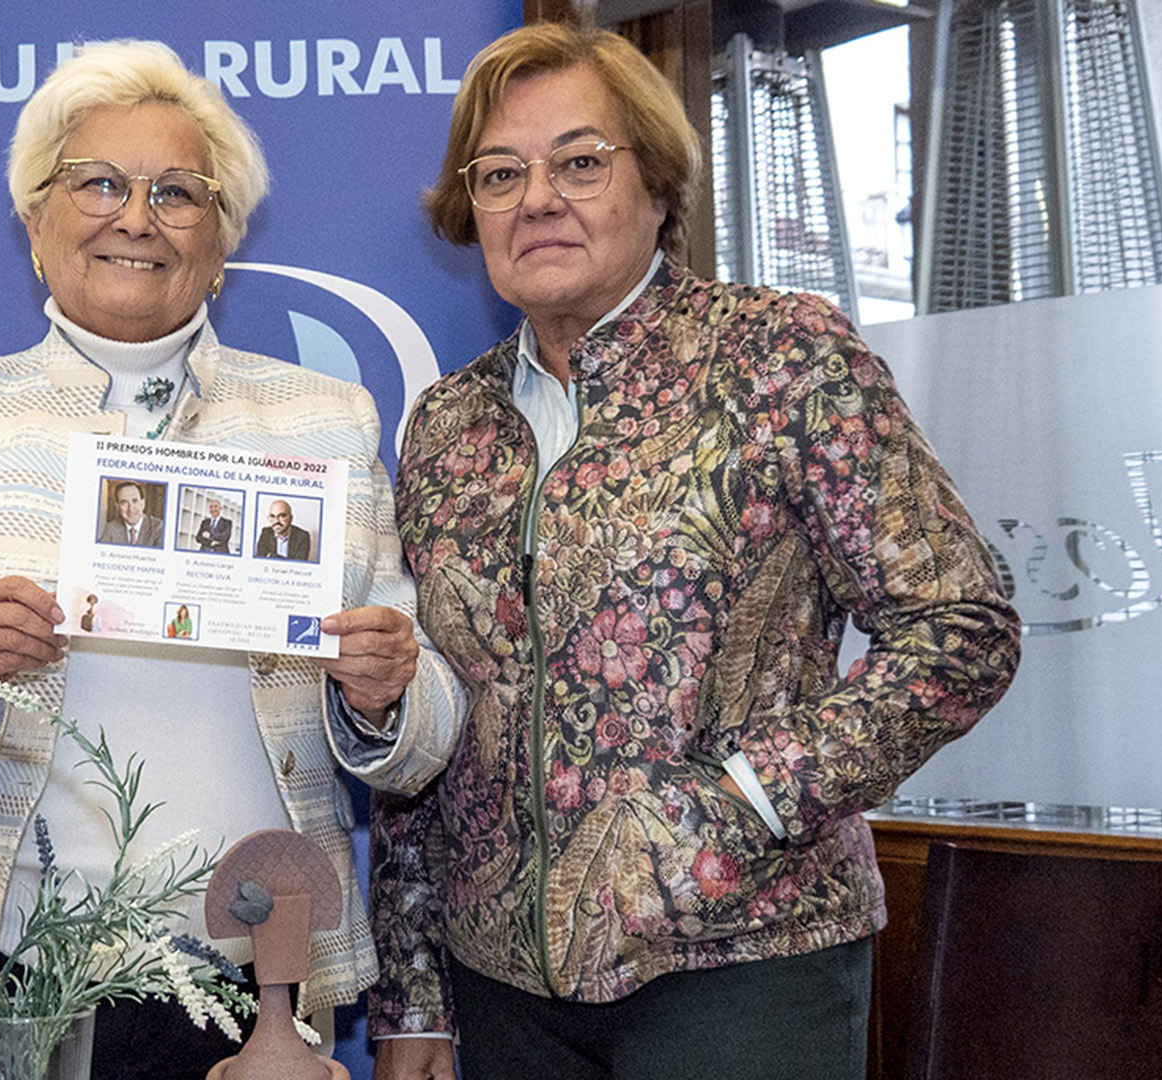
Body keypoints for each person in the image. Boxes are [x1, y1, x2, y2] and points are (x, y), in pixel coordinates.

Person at [0, 40, 465, 1080]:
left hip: (253, 1000)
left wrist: (386, 695)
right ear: (36, 223)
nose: (136, 216)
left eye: (178, 192)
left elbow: (428, 731)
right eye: (99, 182)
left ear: (223, 240)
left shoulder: (322, 420)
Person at [344, 23, 1022, 1080]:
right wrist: (414, 996)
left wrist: (751, 794)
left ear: (658, 184)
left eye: (579, 161)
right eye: (500, 173)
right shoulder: (446, 424)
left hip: (746, 966)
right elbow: (429, 718)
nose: (537, 198)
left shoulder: (782, 356)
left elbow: (961, 629)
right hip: (502, 992)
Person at [98, 480, 163, 547]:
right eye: (124, 502)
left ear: (143, 503)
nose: (130, 509)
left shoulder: (158, 527)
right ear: (117, 506)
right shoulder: (111, 528)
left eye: (134, 501)